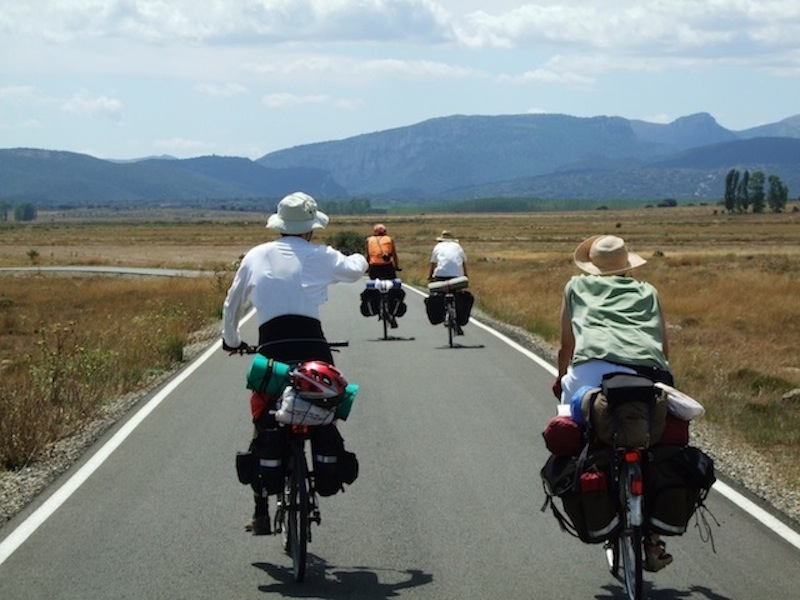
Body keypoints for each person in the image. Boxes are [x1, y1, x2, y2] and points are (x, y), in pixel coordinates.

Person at [221, 191, 368, 535]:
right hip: (313, 347)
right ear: (311, 227)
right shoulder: (321, 254)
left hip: (272, 348)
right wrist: (362, 254)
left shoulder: (256, 255)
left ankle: (260, 512)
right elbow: (353, 271)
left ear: (280, 225)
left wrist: (231, 340)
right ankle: (326, 459)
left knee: (263, 419)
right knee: (324, 406)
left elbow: (233, 302)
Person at [553, 234, 674, 572]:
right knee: (655, 444)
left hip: (592, 373)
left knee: (577, 427)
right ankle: (653, 539)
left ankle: (591, 481)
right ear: (627, 265)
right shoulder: (648, 291)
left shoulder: (575, 286)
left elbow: (566, 347)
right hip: (648, 374)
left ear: (591, 266)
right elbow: (664, 348)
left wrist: (561, 379)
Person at [427, 230, 470, 335]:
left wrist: (430, 276)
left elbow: (433, 264)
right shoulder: (458, 247)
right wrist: (465, 276)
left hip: (440, 276)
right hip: (456, 277)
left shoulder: (437, 247)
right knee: (459, 295)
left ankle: (442, 315)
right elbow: (463, 263)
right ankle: (458, 321)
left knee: (439, 295)